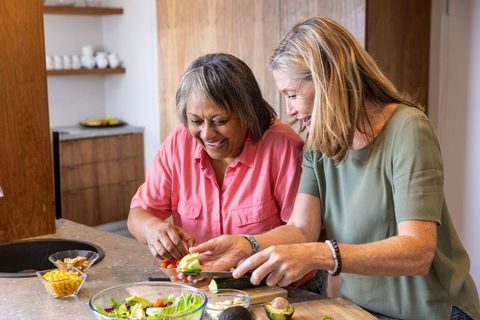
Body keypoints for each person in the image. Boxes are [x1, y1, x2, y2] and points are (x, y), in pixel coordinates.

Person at [188, 17, 480, 319]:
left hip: (433, 313)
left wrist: (319, 254)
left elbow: (417, 251)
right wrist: (245, 245)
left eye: (292, 94)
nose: (289, 109)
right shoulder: (319, 142)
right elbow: (302, 229)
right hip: (360, 311)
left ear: (328, 80)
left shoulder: (408, 129)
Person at [127, 53, 303, 263]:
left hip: (271, 285)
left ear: (248, 113)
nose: (207, 134)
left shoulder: (282, 146)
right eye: (196, 121)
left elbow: (303, 233)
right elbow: (138, 214)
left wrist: (250, 246)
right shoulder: (178, 143)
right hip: (197, 286)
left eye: (220, 121)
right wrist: (152, 229)